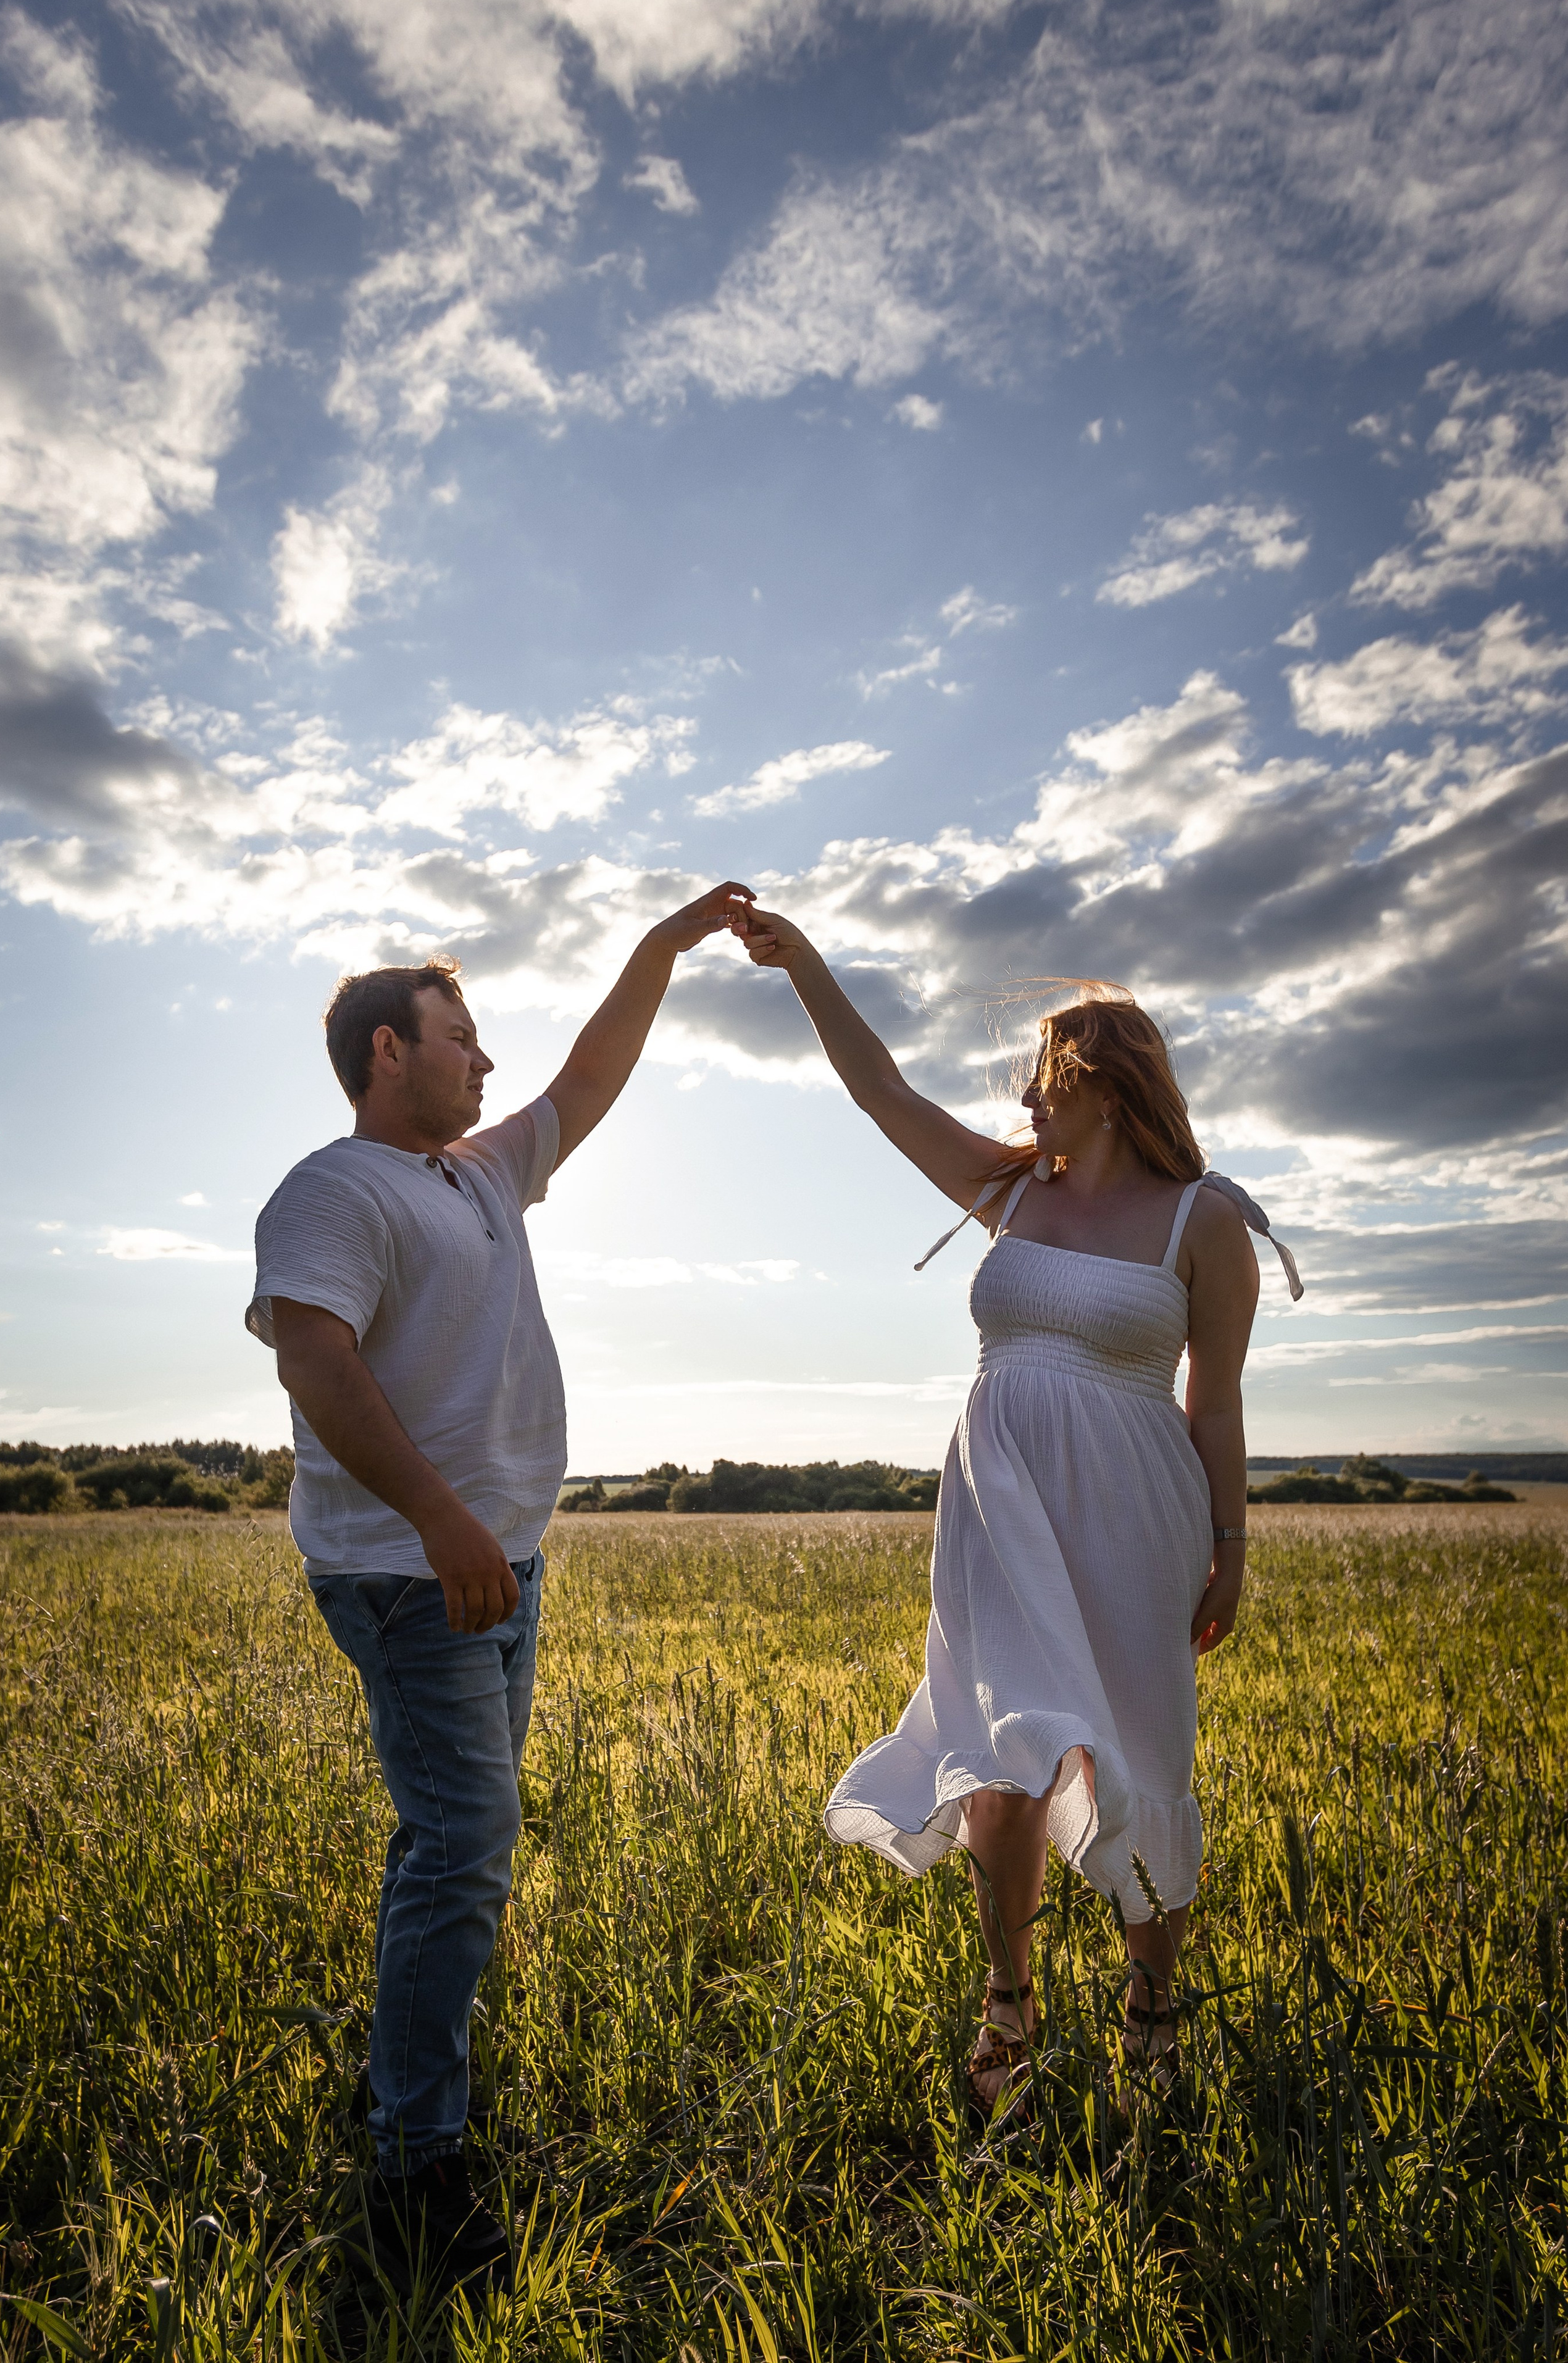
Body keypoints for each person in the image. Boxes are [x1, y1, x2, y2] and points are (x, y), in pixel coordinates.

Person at [246, 883, 751, 2283]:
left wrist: (666, 943)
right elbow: (316, 1361)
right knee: (462, 1849)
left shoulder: (475, 1172)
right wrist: (448, 1525)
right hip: (415, 1574)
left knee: (454, 1849)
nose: (487, 1060)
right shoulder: (332, 1189)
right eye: (459, 1036)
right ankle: (414, 2172)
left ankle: (406, 2092)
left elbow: (591, 1077)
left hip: (496, 1564)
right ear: (385, 1052)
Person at [733, 911, 1301, 2117]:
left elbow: (1215, 1399)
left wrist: (1230, 1546)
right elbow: (881, 1096)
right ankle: (1010, 2000)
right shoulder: (1010, 1186)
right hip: (997, 1505)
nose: (1024, 1101)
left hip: (1137, 1512)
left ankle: (1150, 2001)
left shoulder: (1202, 1221)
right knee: (998, 1747)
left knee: (1143, 1751)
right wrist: (805, 969)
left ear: (1101, 1082)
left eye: (1041, 1078)